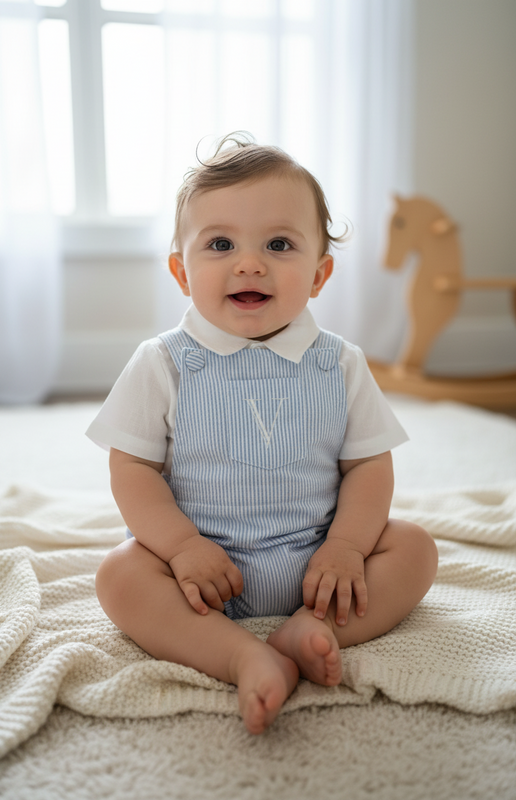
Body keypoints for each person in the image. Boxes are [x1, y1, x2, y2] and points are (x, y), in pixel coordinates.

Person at [88, 134, 438, 736]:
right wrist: (179, 548)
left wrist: (349, 547)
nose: (249, 263)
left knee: (414, 548)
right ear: (181, 271)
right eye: (220, 244)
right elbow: (132, 469)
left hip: (319, 564)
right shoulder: (165, 362)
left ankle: (313, 628)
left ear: (320, 274)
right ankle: (238, 653)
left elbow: (369, 467)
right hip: (199, 574)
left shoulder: (341, 363)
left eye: (279, 244)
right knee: (119, 576)